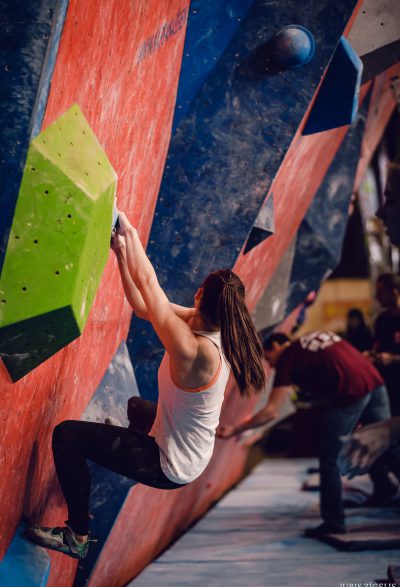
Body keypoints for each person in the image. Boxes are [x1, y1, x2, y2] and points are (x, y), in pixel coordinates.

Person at [25, 212, 265, 559]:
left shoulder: (194, 350)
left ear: (199, 293)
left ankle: (76, 536)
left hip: (170, 464)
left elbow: (150, 285)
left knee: (65, 436)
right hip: (184, 439)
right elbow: (143, 306)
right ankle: (106, 454)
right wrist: (121, 252)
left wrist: (127, 229)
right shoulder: (201, 321)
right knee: (137, 406)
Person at [217, 330, 400, 538]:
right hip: (374, 380)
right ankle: (384, 487)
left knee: (330, 457)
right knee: (385, 443)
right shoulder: (313, 338)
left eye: (268, 357)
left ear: (277, 346)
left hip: (352, 390)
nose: (270, 364)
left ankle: (334, 522)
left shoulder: (287, 357)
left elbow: (271, 411)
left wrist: (235, 429)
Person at [371, 273, 400, 416]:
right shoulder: (381, 321)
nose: (377, 297)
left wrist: (393, 359)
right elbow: (378, 348)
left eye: (380, 292)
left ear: (394, 292)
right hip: (388, 389)